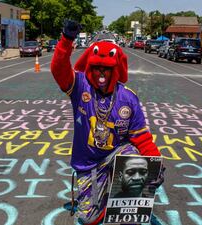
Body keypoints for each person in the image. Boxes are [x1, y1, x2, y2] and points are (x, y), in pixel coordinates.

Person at [50, 20, 164, 225]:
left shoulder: (128, 98)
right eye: (97, 67)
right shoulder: (80, 85)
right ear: (90, 66)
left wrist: (155, 163)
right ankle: (101, 199)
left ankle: (125, 210)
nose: (101, 73)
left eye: (106, 68)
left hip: (115, 154)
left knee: (134, 157)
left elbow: (142, 137)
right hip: (88, 163)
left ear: (116, 69)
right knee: (88, 218)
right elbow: (59, 70)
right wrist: (66, 41)